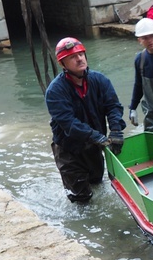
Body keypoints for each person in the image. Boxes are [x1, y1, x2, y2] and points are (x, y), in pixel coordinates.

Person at [45, 37, 126, 203]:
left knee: (97, 184)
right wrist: (96, 136)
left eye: (81, 54)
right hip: (69, 150)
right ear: (62, 64)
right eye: (72, 57)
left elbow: (113, 106)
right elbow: (68, 123)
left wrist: (116, 129)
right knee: (81, 198)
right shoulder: (55, 91)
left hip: (93, 147)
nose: (79, 58)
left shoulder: (100, 80)